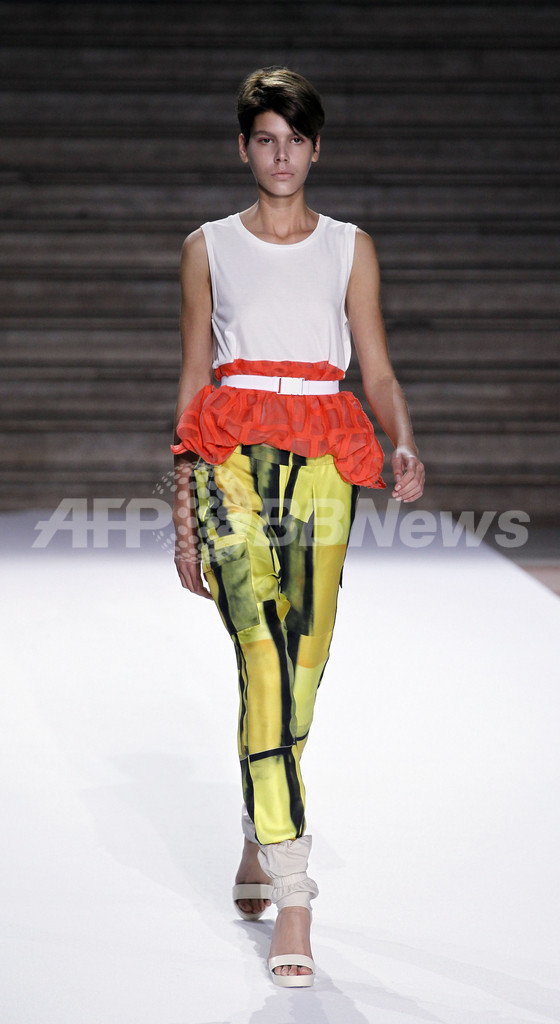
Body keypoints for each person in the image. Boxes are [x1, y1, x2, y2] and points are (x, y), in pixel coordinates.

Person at [171, 66, 424, 988]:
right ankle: (294, 887)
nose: (281, 156)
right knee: (261, 650)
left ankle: (253, 826)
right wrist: (183, 510)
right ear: (244, 148)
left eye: (296, 141)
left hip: (325, 457)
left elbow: (377, 365)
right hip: (229, 455)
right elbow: (194, 373)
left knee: (303, 660)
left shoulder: (351, 247)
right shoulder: (207, 246)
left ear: (316, 150)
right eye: (265, 140)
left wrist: (403, 439)